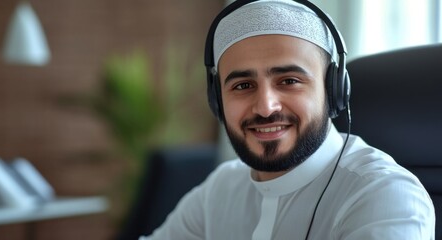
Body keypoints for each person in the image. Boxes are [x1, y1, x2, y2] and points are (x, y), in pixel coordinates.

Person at [140, 0, 435, 239]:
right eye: (242, 86)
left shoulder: (384, 196)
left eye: (289, 80)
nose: (266, 107)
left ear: (333, 91)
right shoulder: (221, 188)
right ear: (217, 101)